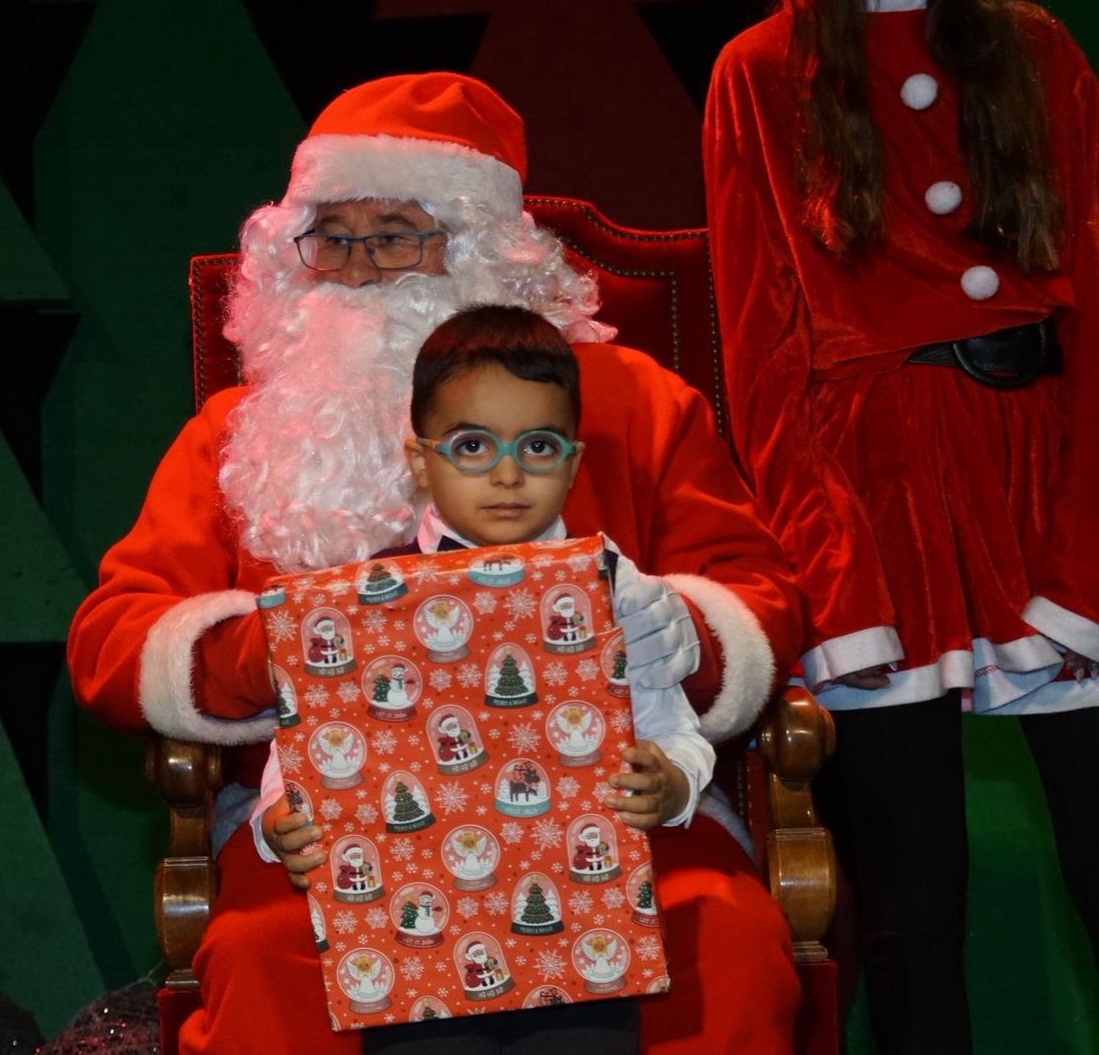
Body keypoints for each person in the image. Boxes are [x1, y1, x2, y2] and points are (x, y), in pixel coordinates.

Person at [68, 71, 802, 1055]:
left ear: (479, 248)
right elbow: (112, 634)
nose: (360, 269)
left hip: (610, 801)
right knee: (272, 955)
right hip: (323, 817)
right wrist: (266, 653)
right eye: (334, 235)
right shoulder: (238, 432)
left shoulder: (633, 402)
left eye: (398, 234)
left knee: (730, 942)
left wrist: (676, 627)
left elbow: (758, 592)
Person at [703, 0, 1099, 1051]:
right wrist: (836, 580)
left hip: (1044, 484)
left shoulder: (1036, 48)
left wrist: (1086, 545)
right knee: (909, 915)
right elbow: (762, 345)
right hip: (876, 509)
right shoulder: (760, 67)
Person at [254, 306, 718, 1053]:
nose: (508, 473)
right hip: (416, 947)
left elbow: (676, 732)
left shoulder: (614, 587)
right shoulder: (364, 598)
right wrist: (280, 823)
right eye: (473, 445)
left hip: (584, 937)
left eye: (537, 446)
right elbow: (301, 749)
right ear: (420, 461)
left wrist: (673, 782)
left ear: (572, 459)